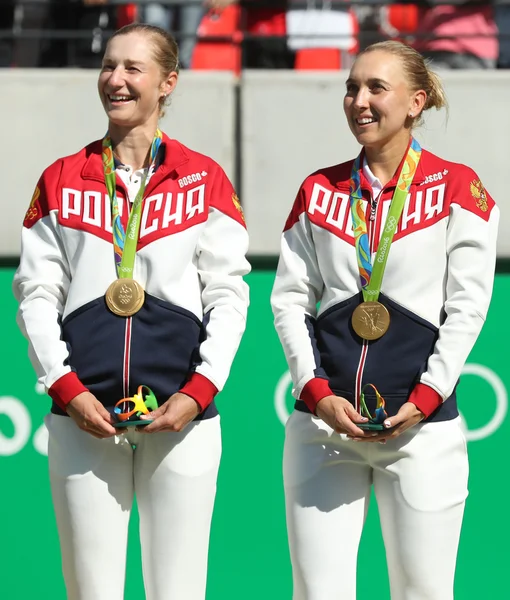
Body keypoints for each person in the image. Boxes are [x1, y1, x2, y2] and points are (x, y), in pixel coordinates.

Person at [13, 23, 250, 600]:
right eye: (108, 66)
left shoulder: (205, 178)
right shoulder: (62, 177)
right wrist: (66, 388)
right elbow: (36, 294)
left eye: (132, 69)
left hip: (183, 416)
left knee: (178, 591)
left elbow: (229, 294)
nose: (115, 80)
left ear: (169, 82)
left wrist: (201, 388)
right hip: (82, 415)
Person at [271, 40, 498, 600]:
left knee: (423, 592)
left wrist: (425, 397)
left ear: (417, 101)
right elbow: (289, 299)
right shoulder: (318, 189)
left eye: (376, 87)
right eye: (351, 87)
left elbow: (467, 307)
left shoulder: (458, 187)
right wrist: (315, 391)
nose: (359, 101)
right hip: (324, 428)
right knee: (318, 593)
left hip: (421, 431)